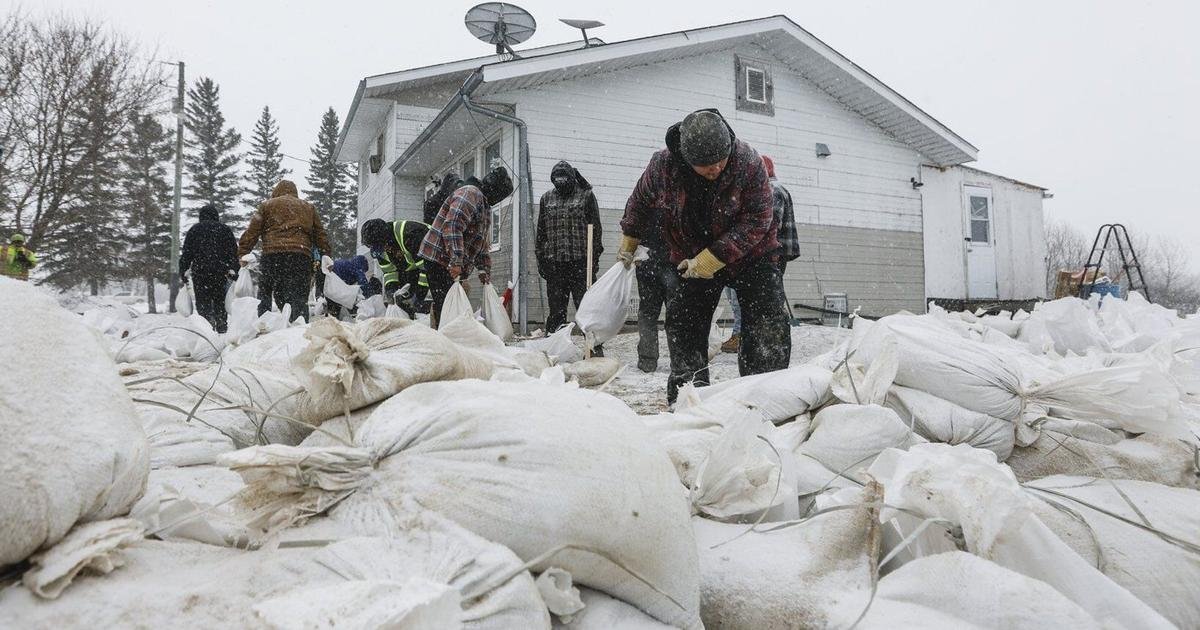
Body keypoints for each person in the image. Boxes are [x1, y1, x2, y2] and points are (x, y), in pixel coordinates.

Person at [618, 109, 791, 403]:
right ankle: (690, 400)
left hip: (753, 256)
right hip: (690, 254)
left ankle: (764, 398)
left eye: (721, 161)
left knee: (767, 323)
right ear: (687, 158)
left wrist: (713, 258)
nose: (716, 169)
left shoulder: (748, 162)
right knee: (684, 325)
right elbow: (639, 203)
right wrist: (629, 242)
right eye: (707, 165)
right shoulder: (663, 166)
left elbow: (758, 219)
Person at [721, 155, 799, 353]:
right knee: (763, 297)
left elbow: (768, 224)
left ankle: (745, 335)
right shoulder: (776, 188)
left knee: (748, 296)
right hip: (773, 253)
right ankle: (755, 336)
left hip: (768, 254)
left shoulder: (772, 190)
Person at [418, 166, 513, 326]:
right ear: (495, 191)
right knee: (447, 306)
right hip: (439, 258)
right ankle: (445, 337)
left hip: (449, 260)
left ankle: (449, 335)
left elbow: (479, 241)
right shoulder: (470, 194)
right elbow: (453, 226)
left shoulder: (484, 204)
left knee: (453, 307)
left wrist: (483, 268)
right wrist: (456, 261)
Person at [238, 179, 330, 321]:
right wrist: (326, 255)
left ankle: (263, 322)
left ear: (276, 192)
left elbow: (252, 232)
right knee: (299, 295)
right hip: (300, 256)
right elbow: (320, 235)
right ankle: (299, 324)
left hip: (272, 255)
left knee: (266, 291)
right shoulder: (308, 207)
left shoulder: (267, 205)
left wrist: (243, 252)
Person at [536, 160, 603, 336]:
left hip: (581, 263)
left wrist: (594, 260)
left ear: (571, 179)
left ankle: (593, 345)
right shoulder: (546, 198)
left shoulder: (586, 196)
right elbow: (541, 233)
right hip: (555, 265)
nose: (560, 183)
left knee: (586, 308)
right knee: (556, 310)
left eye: (564, 179)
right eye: (557, 180)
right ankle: (555, 344)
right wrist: (541, 260)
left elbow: (596, 230)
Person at [179, 204, 238, 332]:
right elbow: (233, 253)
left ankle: (206, 328)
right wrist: (234, 270)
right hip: (220, 272)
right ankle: (221, 327)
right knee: (220, 301)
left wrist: (183, 271)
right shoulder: (224, 230)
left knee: (203, 302)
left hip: (201, 273)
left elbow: (187, 254)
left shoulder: (194, 230)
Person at [635, 207, 678, 373]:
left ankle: (647, 360)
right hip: (673, 262)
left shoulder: (642, 199)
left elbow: (630, 227)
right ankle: (678, 359)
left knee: (648, 313)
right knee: (676, 314)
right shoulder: (678, 197)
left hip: (649, 262)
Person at [361, 218, 431, 318]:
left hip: (438, 258)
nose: (374, 249)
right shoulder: (380, 249)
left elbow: (427, 268)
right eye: (370, 246)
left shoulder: (410, 234)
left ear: (385, 239)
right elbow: (389, 272)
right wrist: (391, 290)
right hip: (414, 267)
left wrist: (419, 296)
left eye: (376, 245)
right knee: (403, 300)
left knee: (435, 294)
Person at [322, 255, 379, 319]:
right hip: (335, 277)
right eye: (364, 271)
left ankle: (331, 314)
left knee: (334, 298)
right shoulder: (357, 267)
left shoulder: (350, 265)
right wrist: (369, 296)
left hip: (330, 279)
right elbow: (362, 281)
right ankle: (333, 315)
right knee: (338, 299)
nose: (364, 272)